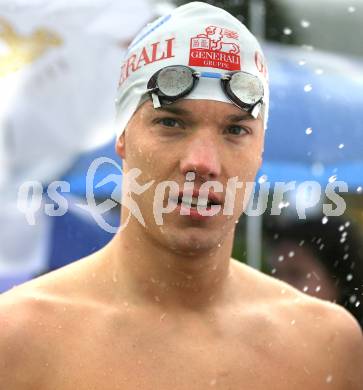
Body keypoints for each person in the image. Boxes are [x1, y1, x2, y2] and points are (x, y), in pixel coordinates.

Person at [0, 2, 362, 389]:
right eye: (171, 122)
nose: (202, 162)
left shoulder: (326, 344)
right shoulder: (19, 338)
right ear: (121, 136)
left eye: (235, 130)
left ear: (260, 151)